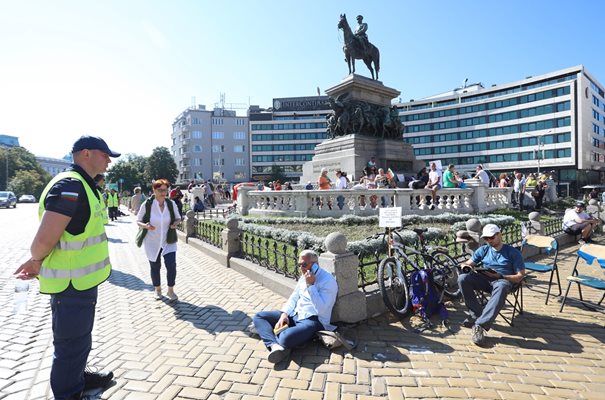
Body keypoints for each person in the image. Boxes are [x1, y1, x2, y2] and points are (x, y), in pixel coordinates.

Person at [14, 135, 118, 399]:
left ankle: (77, 378)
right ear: (85, 153)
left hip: (79, 281)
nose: (108, 160)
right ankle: (69, 392)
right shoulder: (71, 185)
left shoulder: (83, 183)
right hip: (71, 284)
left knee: (78, 340)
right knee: (70, 344)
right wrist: (36, 260)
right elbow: (45, 238)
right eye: (105, 154)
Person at [252, 250, 338, 363]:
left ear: (315, 264)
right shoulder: (303, 277)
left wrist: (310, 286)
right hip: (294, 314)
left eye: (304, 264)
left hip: (313, 319)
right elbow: (294, 297)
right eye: (299, 265)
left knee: (285, 339)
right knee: (259, 317)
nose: (301, 268)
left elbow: (322, 309)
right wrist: (284, 314)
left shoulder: (328, 281)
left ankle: (267, 332)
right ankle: (273, 345)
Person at [458, 224, 525, 346]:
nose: (489, 241)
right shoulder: (484, 249)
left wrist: (500, 276)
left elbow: (520, 276)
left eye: (491, 238)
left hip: (502, 280)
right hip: (484, 279)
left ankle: (480, 325)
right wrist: (466, 266)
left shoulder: (513, 252)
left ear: (499, 235)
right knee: (463, 278)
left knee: (502, 286)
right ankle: (476, 314)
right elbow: (468, 263)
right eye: (486, 238)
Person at [137, 179, 182, 301]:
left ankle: (171, 290)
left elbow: (178, 218)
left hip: (168, 240)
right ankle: (157, 290)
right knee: (155, 266)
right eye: (160, 190)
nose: (163, 192)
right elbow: (138, 220)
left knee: (171, 265)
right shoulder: (147, 204)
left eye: (165, 190)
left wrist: (175, 224)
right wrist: (146, 226)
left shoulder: (171, 204)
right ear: (154, 190)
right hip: (152, 241)